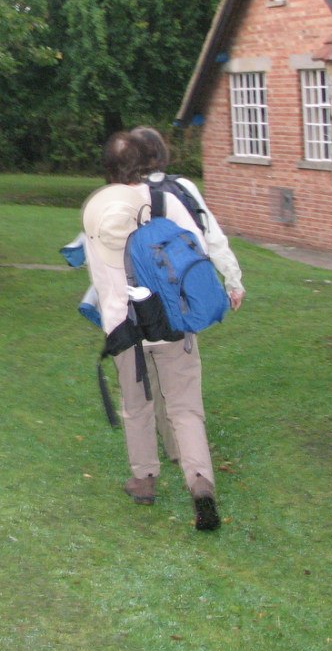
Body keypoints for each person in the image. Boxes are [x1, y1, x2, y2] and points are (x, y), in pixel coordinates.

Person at [81, 130, 245, 530]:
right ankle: (200, 482)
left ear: (107, 169)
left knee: (137, 405)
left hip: (124, 326)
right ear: (144, 162)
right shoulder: (164, 200)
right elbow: (196, 249)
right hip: (171, 320)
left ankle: (144, 480)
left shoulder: (96, 209)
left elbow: (99, 274)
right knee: (185, 407)